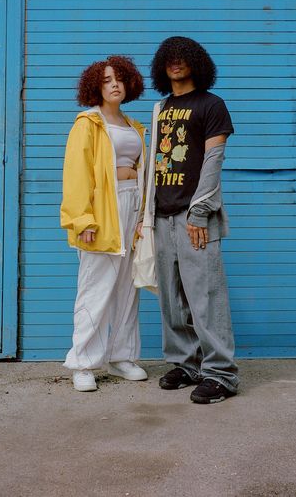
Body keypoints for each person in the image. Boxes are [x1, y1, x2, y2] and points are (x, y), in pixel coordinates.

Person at [147, 36, 239, 404]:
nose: (175, 62)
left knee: (206, 298)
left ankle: (221, 375)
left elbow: (213, 162)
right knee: (172, 301)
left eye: (183, 57)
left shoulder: (211, 105)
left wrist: (199, 213)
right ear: (161, 66)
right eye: (169, 58)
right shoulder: (160, 109)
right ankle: (187, 364)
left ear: (196, 63)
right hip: (161, 217)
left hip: (194, 217)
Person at [60, 55, 148, 392]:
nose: (114, 85)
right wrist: (82, 219)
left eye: (119, 79)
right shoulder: (88, 123)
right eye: (107, 80)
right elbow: (76, 174)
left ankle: (121, 357)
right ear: (95, 87)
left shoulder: (134, 126)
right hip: (102, 213)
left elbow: (143, 174)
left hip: (132, 207)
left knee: (128, 289)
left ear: (129, 83)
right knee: (95, 288)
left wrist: (143, 218)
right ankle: (83, 363)